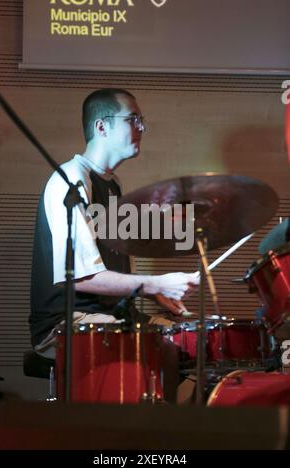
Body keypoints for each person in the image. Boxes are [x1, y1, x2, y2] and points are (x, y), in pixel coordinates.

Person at [29, 89, 199, 400]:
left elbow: (114, 261)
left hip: (112, 316)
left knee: (192, 341)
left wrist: (156, 291)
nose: (141, 127)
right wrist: (154, 283)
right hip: (69, 323)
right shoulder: (71, 181)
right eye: (133, 119)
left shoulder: (112, 184)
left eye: (141, 120)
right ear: (102, 127)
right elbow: (82, 277)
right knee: (161, 347)